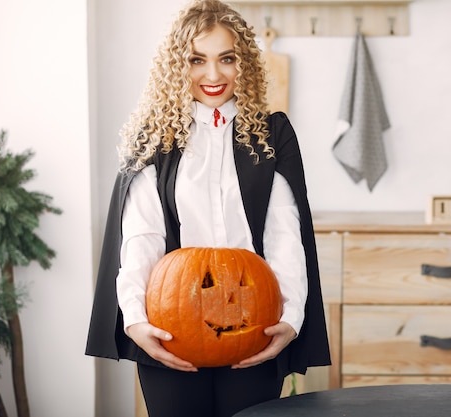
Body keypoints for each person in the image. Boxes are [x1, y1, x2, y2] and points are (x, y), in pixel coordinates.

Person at [85, 1, 331, 416]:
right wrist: (135, 320)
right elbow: (140, 238)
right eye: (197, 60)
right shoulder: (153, 138)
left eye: (227, 58)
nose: (213, 75)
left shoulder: (273, 133)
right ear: (176, 66)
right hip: (170, 326)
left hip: (254, 324)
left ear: (245, 63)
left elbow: (284, 233)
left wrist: (289, 318)